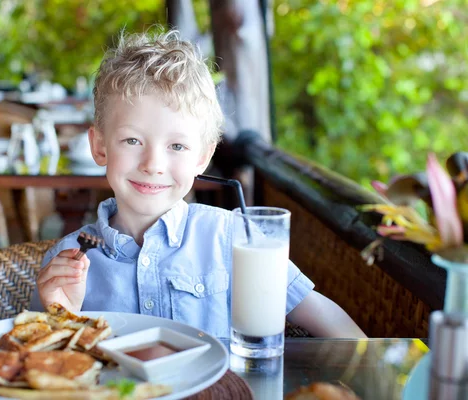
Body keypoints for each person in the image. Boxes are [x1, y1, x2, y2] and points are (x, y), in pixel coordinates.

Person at [31, 30, 366, 339]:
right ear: (100, 147)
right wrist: (65, 315)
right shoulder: (65, 260)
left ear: (202, 158)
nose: (153, 165)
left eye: (176, 146)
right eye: (132, 140)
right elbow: (39, 362)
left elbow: (323, 317)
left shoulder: (233, 237)